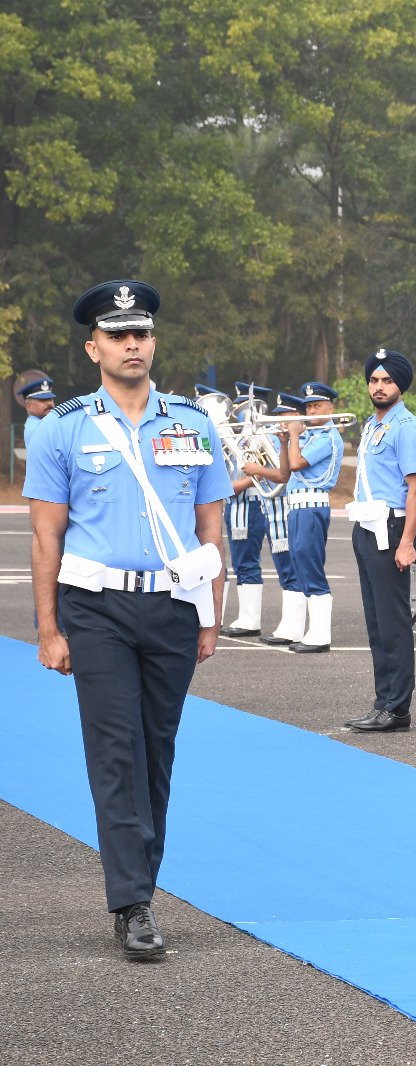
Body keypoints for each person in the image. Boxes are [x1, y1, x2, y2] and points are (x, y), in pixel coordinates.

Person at [25, 279, 231, 959]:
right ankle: (134, 903)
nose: (131, 344)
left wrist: (210, 613)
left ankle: (141, 881)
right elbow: (47, 537)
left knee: (157, 751)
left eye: (140, 333)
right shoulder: (63, 428)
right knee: (116, 750)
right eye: (116, 335)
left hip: (172, 606)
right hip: (97, 609)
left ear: (153, 342)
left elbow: (210, 527)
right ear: (94, 348)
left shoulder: (193, 423)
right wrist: (49, 629)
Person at [344, 348, 416, 732]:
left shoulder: (406, 427)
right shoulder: (372, 424)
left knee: (392, 622)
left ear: (400, 385)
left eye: (387, 380)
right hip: (367, 525)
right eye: (374, 380)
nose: (379, 387)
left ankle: (397, 708)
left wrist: (407, 541)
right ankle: (383, 701)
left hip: (391, 528)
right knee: (377, 622)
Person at [220, 383, 293, 641]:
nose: (237, 412)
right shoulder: (241, 437)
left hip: (250, 503)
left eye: (241, 406)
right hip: (238, 505)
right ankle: (246, 617)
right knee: (241, 562)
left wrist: (239, 484)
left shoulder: (259, 436)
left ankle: (250, 619)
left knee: (248, 560)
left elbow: (266, 470)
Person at [280, 382, 346, 653]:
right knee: (299, 563)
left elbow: (297, 465)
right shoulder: (310, 436)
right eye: (308, 407)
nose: (311, 411)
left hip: (311, 505)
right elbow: (286, 472)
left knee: (309, 564)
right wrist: (285, 440)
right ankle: (301, 630)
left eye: (318, 406)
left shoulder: (327, 437)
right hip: (297, 506)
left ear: (330, 409)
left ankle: (320, 635)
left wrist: (294, 435)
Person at [20, 376, 57, 449]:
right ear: (29, 406)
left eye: (50, 399)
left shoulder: (44, 423)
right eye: (42, 400)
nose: (49, 403)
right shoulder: (38, 428)